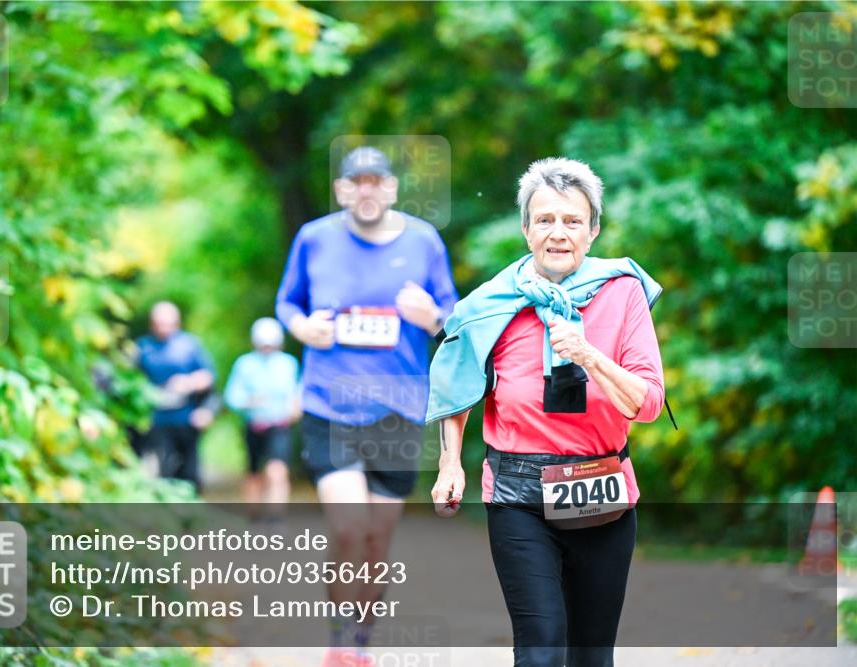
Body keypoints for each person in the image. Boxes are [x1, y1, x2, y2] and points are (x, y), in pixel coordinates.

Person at [428, 158, 666, 667]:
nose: (558, 233)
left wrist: (587, 355)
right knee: (540, 650)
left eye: (572, 221)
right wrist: (450, 463)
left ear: (593, 230)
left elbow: (647, 404)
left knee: (591, 656)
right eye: (545, 220)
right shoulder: (488, 305)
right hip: (518, 495)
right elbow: (457, 386)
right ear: (525, 228)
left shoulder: (622, 293)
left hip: (602, 488)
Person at [276, 146, 458, 664]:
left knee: (378, 538)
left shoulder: (424, 242)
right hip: (328, 403)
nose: (367, 190)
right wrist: (301, 327)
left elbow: (452, 316)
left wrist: (429, 317)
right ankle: (338, 638)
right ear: (341, 190)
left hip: (399, 407)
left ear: (393, 189)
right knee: (349, 527)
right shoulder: (313, 238)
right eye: (356, 182)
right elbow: (288, 301)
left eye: (377, 181)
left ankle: (361, 637)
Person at [135, 301, 219, 490]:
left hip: (186, 420)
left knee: (190, 474)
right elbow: (131, 381)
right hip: (155, 422)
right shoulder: (143, 347)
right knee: (162, 475)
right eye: (159, 323)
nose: (164, 328)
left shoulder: (189, 345)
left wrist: (187, 383)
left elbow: (208, 377)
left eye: (168, 323)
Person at [224, 317, 301, 520]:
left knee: (278, 471)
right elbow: (232, 396)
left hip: (280, 425)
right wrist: (249, 401)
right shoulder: (245, 364)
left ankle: (276, 517)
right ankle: (254, 514)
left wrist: (295, 406)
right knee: (254, 473)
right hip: (254, 425)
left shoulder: (288, 364)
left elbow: (296, 392)